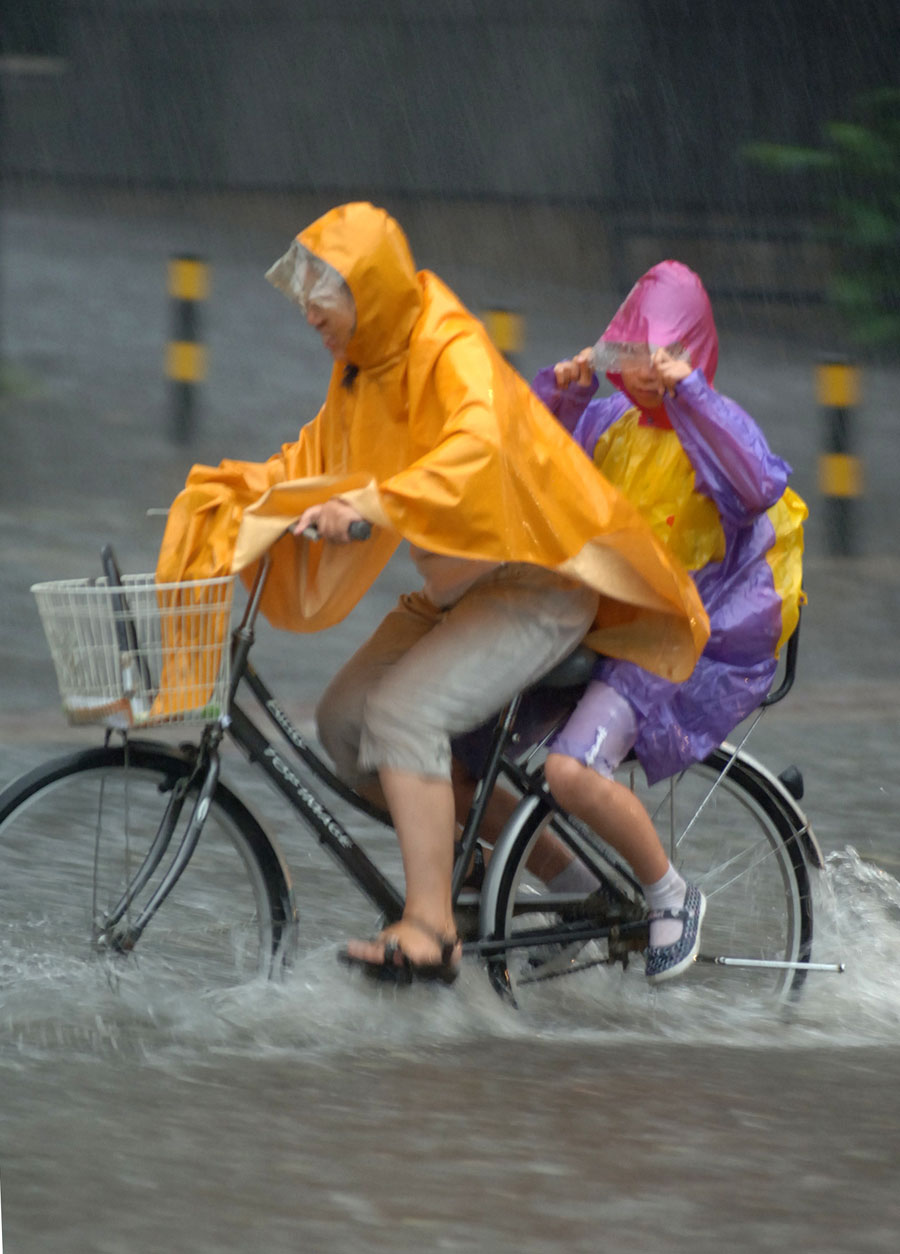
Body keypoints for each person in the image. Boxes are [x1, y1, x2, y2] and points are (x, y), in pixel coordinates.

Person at [155, 206, 709, 985]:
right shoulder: (362, 370)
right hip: (463, 593)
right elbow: (312, 458)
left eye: (327, 288)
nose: (311, 308)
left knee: (403, 715)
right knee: (346, 725)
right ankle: (557, 881)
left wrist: (373, 507)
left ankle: (430, 927)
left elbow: (474, 449)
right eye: (304, 291)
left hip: (537, 582)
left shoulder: (448, 344)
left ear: (372, 288)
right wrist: (230, 501)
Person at [457, 260, 807, 983]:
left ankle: (669, 893)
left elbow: (756, 482)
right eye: (636, 354)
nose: (649, 373)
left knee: (570, 771)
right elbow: (527, 467)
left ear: (692, 351)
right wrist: (561, 391)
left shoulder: (715, 426)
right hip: (588, 625)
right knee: (460, 752)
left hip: (668, 640)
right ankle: (566, 891)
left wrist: (693, 395)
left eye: (667, 355)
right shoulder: (606, 421)